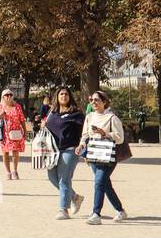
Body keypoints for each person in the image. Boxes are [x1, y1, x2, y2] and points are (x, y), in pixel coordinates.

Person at [77, 90, 127, 225]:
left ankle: (96, 213)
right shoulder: (89, 117)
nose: (93, 102)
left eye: (96, 100)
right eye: (92, 100)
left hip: (107, 155)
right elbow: (85, 135)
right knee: (105, 184)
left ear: (104, 102)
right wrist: (81, 145)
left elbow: (120, 138)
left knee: (99, 182)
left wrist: (104, 133)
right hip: (93, 154)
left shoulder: (112, 118)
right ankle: (120, 210)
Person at [43, 86, 85, 219]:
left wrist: (82, 145)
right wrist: (43, 125)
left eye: (66, 94)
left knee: (64, 179)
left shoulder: (76, 113)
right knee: (52, 177)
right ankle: (75, 197)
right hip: (53, 150)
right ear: (57, 97)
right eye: (61, 94)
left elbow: (84, 131)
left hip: (70, 149)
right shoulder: (52, 113)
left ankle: (63, 210)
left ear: (70, 97)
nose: (64, 96)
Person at [0, 88, 27, 181]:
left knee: (15, 152)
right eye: (6, 95)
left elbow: (22, 119)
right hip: (5, 133)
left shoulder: (17, 106)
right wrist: (0, 115)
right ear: (3, 97)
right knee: (5, 153)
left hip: (16, 132)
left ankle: (15, 171)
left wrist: (24, 131)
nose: (9, 96)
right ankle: (8, 172)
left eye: (10, 95)